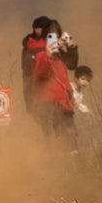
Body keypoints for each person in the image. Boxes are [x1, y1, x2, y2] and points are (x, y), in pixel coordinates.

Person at [31, 19, 78, 149]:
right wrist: (47, 55)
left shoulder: (60, 54)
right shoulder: (39, 53)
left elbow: (72, 65)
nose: (54, 39)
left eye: (57, 35)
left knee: (70, 139)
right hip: (47, 105)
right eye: (50, 36)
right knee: (50, 141)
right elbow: (41, 74)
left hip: (64, 104)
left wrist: (72, 48)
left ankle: (71, 164)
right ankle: (51, 164)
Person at [20, 16, 49, 116]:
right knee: (34, 109)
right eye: (35, 28)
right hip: (31, 77)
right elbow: (26, 67)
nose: (37, 30)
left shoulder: (51, 42)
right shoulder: (29, 44)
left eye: (40, 28)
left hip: (48, 80)